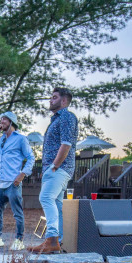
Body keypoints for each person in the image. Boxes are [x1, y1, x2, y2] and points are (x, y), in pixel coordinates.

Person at [28, 87, 77, 254]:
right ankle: (57, 242)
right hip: (55, 169)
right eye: (51, 97)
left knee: (46, 198)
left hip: (60, 168)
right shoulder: (57, 120)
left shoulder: (67, 117)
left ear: (64, 101)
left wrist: (54, 166)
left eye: (54, 97)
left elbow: (66, 144)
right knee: (56, 203)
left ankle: (51, 239)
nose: (50, 100)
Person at [0, 111, 35, 251]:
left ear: (12, 122)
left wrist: (22, 174)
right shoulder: (1, 139)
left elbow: (31, 157)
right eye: (1, 120)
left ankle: (19, 240)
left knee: (17, 213)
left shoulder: (21, 139)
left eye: (4, 120)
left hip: (13, 183)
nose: (1, 122)